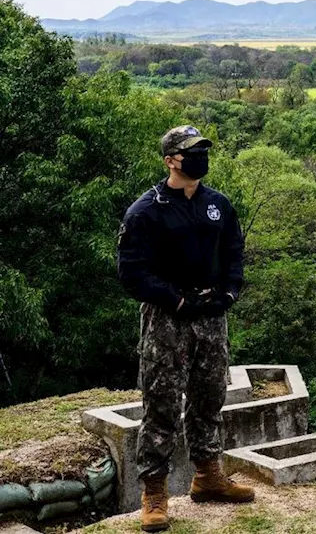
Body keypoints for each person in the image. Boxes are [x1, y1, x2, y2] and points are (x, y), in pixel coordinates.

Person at [116, 125, 254, 532]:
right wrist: (175, 299)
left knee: (210, 395)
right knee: (160, 402)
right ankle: (154, 492)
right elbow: (131, 274)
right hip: (167, 316)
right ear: (170, 160)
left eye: (202, 150)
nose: (200, 158)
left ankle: (208, 476)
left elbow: (234, 250)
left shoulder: (218, 204)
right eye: (191, 152)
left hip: (211, 314)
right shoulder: (147, 210)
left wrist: (230, 292)